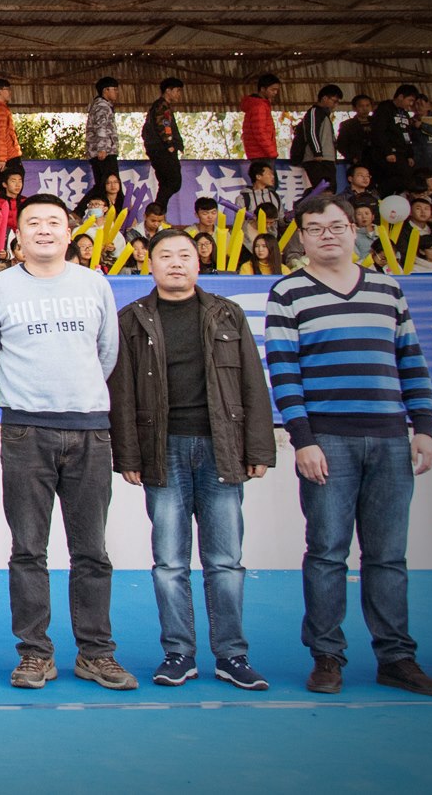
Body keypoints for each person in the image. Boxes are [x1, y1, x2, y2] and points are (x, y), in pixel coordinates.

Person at [265, 194, 432, 696]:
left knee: (388, 555)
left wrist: (424, 426)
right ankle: (327, 656)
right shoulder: (288, 293)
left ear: (354, 230)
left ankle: (397, 658)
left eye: (336, 226)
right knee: (326, 553)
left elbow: (411, 361)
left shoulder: (388, 289)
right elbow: (284, 374)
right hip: (328, 441)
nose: (327, 235)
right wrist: (303, 440)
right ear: (302, 237)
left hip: (390, 438)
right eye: (315, 228)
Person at [0, 195, 134, 691]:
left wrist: (77, 398)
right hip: (25, 430)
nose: (43, 230)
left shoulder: (95, 284)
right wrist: (26, 399)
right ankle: (34, 653)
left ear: (70, 232)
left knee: (92, 550)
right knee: (28, 549)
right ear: (17, 235)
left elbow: (106, 354)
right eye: (33, 223)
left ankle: (96, 653)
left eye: (53, 223)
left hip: (89, 429)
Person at [109, 229, 276, 692]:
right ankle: (178, 653)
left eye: (184, 255)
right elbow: (122, 394)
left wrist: (258, 448)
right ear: (150, 264)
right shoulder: (132, 319)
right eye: (165, 255)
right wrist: (128, 454)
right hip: (163, 451)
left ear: (198, 262)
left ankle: (232, 655)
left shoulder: (227, 313)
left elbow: (252, 382)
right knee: (169, 562)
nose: (176, 263)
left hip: (222, 448)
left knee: (225, 561)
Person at [143, 78, 185, 211]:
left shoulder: (160, 106)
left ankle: (159, 212)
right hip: (162, 150)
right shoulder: (162, 106)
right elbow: (163, 125)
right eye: (177, 90)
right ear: (168, 91)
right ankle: (157, 210)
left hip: (158, 149)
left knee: (167, 183)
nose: (179, 94)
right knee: (173, 182)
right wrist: (169, 144)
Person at [292, 84, 343, 193]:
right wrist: (317, 152)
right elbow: (312, 132)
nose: (335, 105)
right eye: (334, 101)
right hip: (317, 160)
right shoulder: (314, 112)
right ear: (324, 98)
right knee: (322, 191)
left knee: (331, 191)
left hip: (327, 159)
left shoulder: (324, 114)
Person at [372, 84, 420, 197]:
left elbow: (407, 134)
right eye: (410, 100)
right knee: (402, 177)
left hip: (402, 153)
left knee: (408, 176)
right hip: (388, 153)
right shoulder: (384, 109)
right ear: (401, 96)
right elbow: (379, 132)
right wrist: (387, 151)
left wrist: (409, 155)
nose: (411, 104)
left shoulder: (405, 113)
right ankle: (378, 194)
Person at [84, 77, 121, 203]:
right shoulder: (102, 106)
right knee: (110, 185)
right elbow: (101, 127)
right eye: (114, 89)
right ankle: (79, 210)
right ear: (105, 90)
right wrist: (102, 148)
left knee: (102, 186)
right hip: (105, 152)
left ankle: (80, 211)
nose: (116, 92)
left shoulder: (101, 105)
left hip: (102, 151)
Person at [240, 73, 281, 167]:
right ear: (262, 89)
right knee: (268, 177)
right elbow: (259, 131)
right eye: (273, 89)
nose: (275, 92)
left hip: (258, 153)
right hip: (262, 154)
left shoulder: (257, 105)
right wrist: (272, 152)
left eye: (277, 90)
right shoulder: (260, 107)